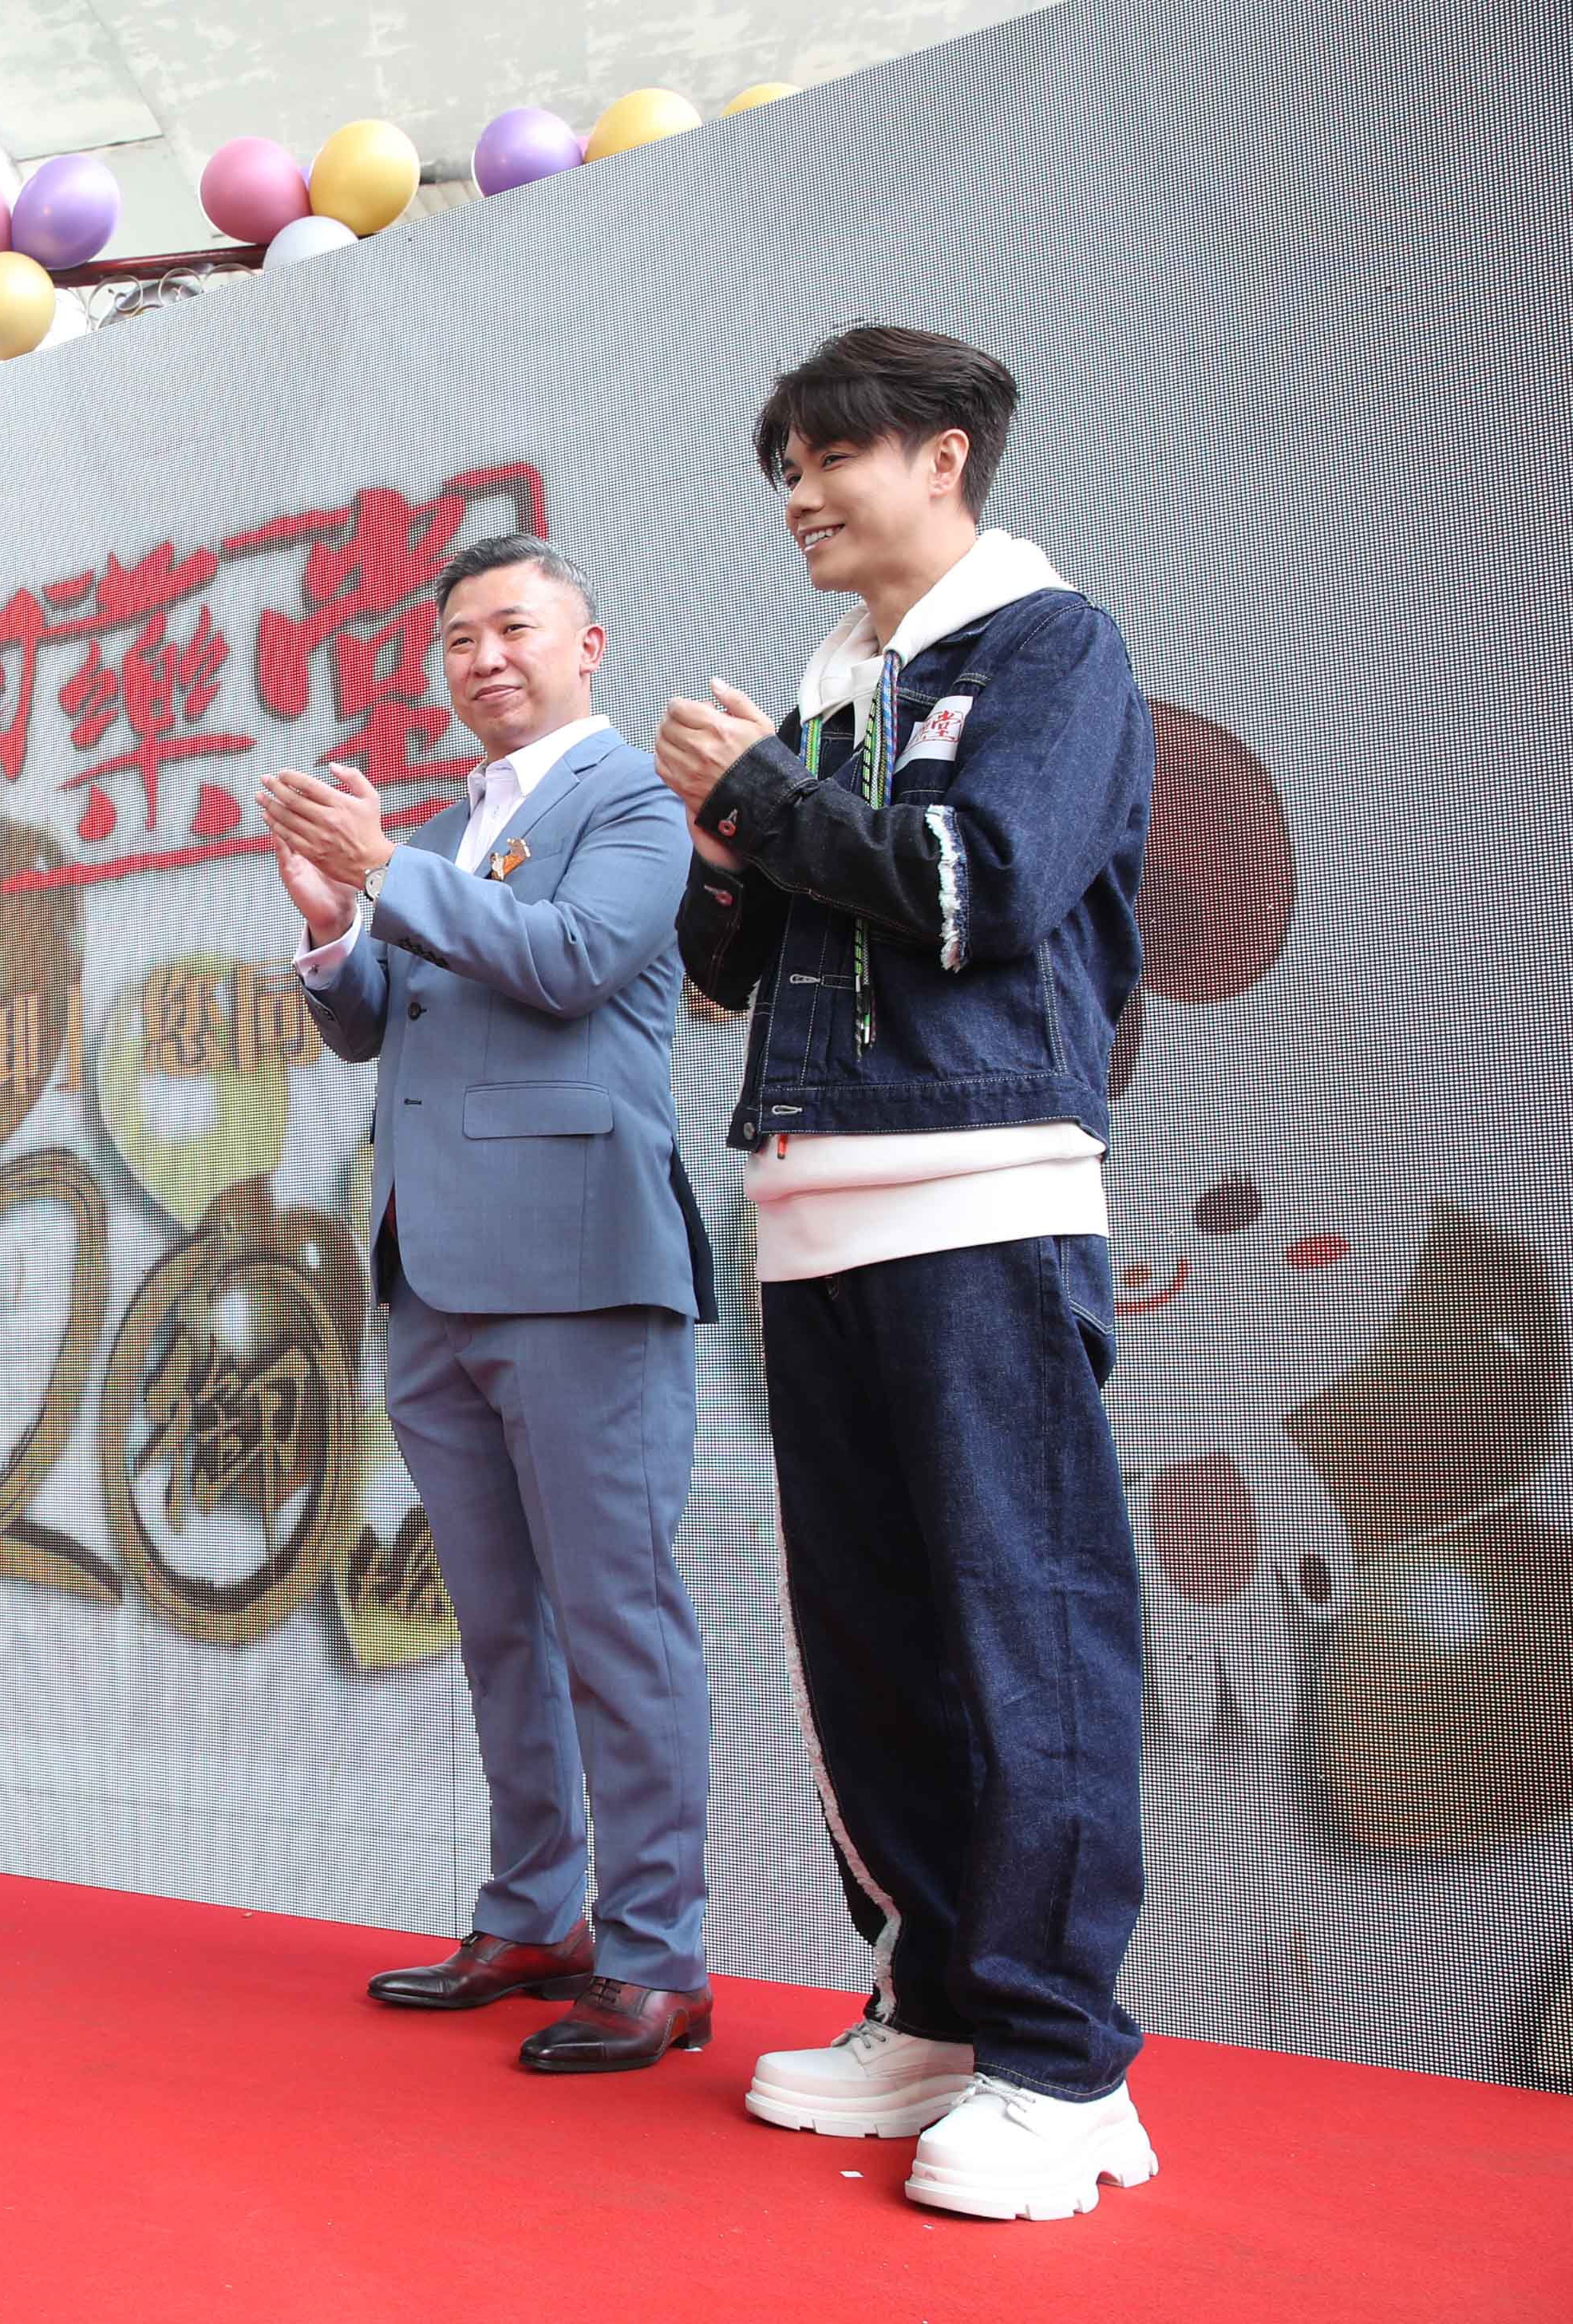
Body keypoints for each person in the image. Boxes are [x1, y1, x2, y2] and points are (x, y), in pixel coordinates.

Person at [658, 325, 1156, 2219]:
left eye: (829, 457)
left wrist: (770, 797)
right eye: (785, 466)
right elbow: (733, 972)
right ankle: (938, 2001)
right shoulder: (828, 694)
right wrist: (725, 839)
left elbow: (983, 889)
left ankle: (1064, 2064)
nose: (798, 495)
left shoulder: (1049, 649)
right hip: (816, 1204)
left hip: (979, 1192)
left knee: (1024, 1626)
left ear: (942, 456)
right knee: (868, 1638)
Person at [260, 535, 721, 2075]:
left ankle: (654, 1952)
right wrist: (331, 924)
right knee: (497, 1621)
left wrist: (388, 872)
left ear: (587, 644)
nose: (482, 658)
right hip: (431, 1269)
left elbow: (573, 961)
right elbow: (376, 1024)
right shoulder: (457, 825)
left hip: (579, 1266)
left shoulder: (633, 803)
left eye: (512, 627)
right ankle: (533, 1910)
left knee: (614, 1615)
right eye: (457, 637)